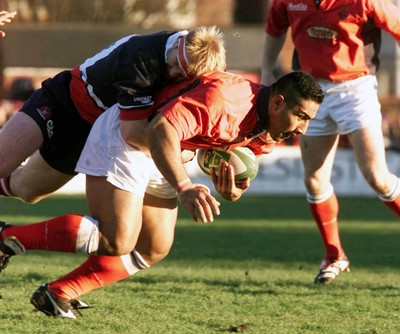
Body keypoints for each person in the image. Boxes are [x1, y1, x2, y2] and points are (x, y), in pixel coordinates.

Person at [0, 70, 324, 318]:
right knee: (117, 238)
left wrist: (233, 191)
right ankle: (8, 237)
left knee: (154, 246)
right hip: (130, 134)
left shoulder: (271, 129)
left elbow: (227, 166)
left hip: (168, 150)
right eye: (302, 117)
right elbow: (160, 129)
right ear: (279, 101)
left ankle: (58, 293)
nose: (303, 129)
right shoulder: (225, 99)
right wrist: (184, 186)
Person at [0, 25, 226, 203]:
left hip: (90, 130)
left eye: (183, 74)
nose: (174, 74)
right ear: (179, 43)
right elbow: (133, 134)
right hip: (63, 101)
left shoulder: (203, 70)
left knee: (27, 191)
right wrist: (179, 152)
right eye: (176, 65)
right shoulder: (142, 57)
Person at [261, 0, 400, 285]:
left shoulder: (365, 2)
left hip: (356, 87)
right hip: (311, 90)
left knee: (377, 177)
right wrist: (265, 70)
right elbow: (275, 29)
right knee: (314, 180)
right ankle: (334, 255)